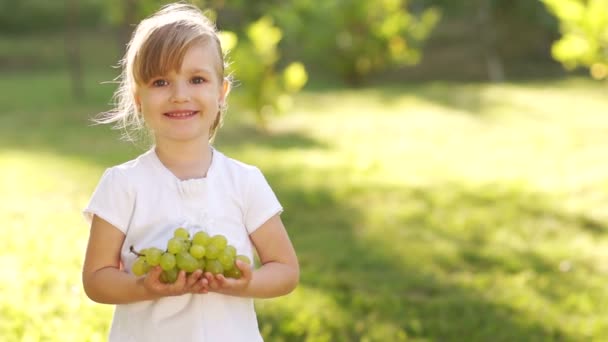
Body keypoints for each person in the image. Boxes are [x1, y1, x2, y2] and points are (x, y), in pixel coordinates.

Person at [81, 3, 299, 341]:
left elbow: (285, 270)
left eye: (196, 79)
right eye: (161, 81)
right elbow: (96, 279)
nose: (180, 95)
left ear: (221, 92)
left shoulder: (244, 182)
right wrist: (143, 286)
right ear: (139, 98)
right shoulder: (122, 184)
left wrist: (247, 283)